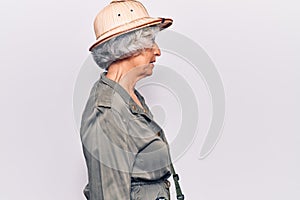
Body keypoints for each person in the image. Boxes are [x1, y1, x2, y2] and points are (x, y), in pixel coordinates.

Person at [80, 1, 183, 199]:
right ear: (127, 46)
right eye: (150, 42)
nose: (157, 51)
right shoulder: (107, 112)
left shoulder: (128, 97)